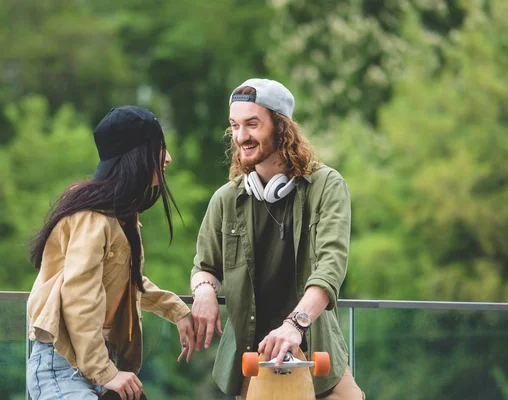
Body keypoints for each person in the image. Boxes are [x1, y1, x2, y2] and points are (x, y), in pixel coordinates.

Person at [190, 79, 364, 399]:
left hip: (316, 359)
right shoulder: (226, 200)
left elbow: (331, 266)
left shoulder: (327, 186)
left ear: (282, 128)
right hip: (253, 364)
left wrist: (294, 326)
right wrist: (203, 291)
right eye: (235, 126)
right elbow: (204, 267)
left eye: (252, 124)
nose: (241, 136)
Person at [26, 105, 195, 400]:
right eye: (160, 147)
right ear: (137, 154)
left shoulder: (118, 215)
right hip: (63, 363)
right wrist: (106, 373)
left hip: (95, 359)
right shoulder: (92, 217)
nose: (167, 157)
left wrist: (176, 310)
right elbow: (80, 296)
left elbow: (129, 283)